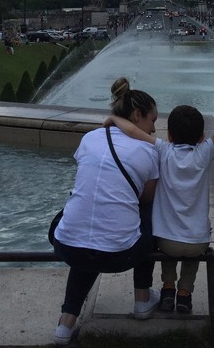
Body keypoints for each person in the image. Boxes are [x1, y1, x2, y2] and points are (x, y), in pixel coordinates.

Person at [51, 77, 160, 345]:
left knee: (86, 228)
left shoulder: (89, 138)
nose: (154, 127)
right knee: (151, 213)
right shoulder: (149, 149)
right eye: (152, 120)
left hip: (66, 246)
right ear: (137, 115)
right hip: (122, 255)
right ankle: (143, 300)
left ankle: (65, 324)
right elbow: (147, 197)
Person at [107, 104, 214, 314]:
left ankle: (168, 288)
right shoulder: (205, 153)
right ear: (202, 136)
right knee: (193, 255)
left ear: (170, 135)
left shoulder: (164, 151)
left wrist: (113, 118)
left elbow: (133, 131)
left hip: (167, 240)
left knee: (168, 249)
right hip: (197, 242)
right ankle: (184, 293)